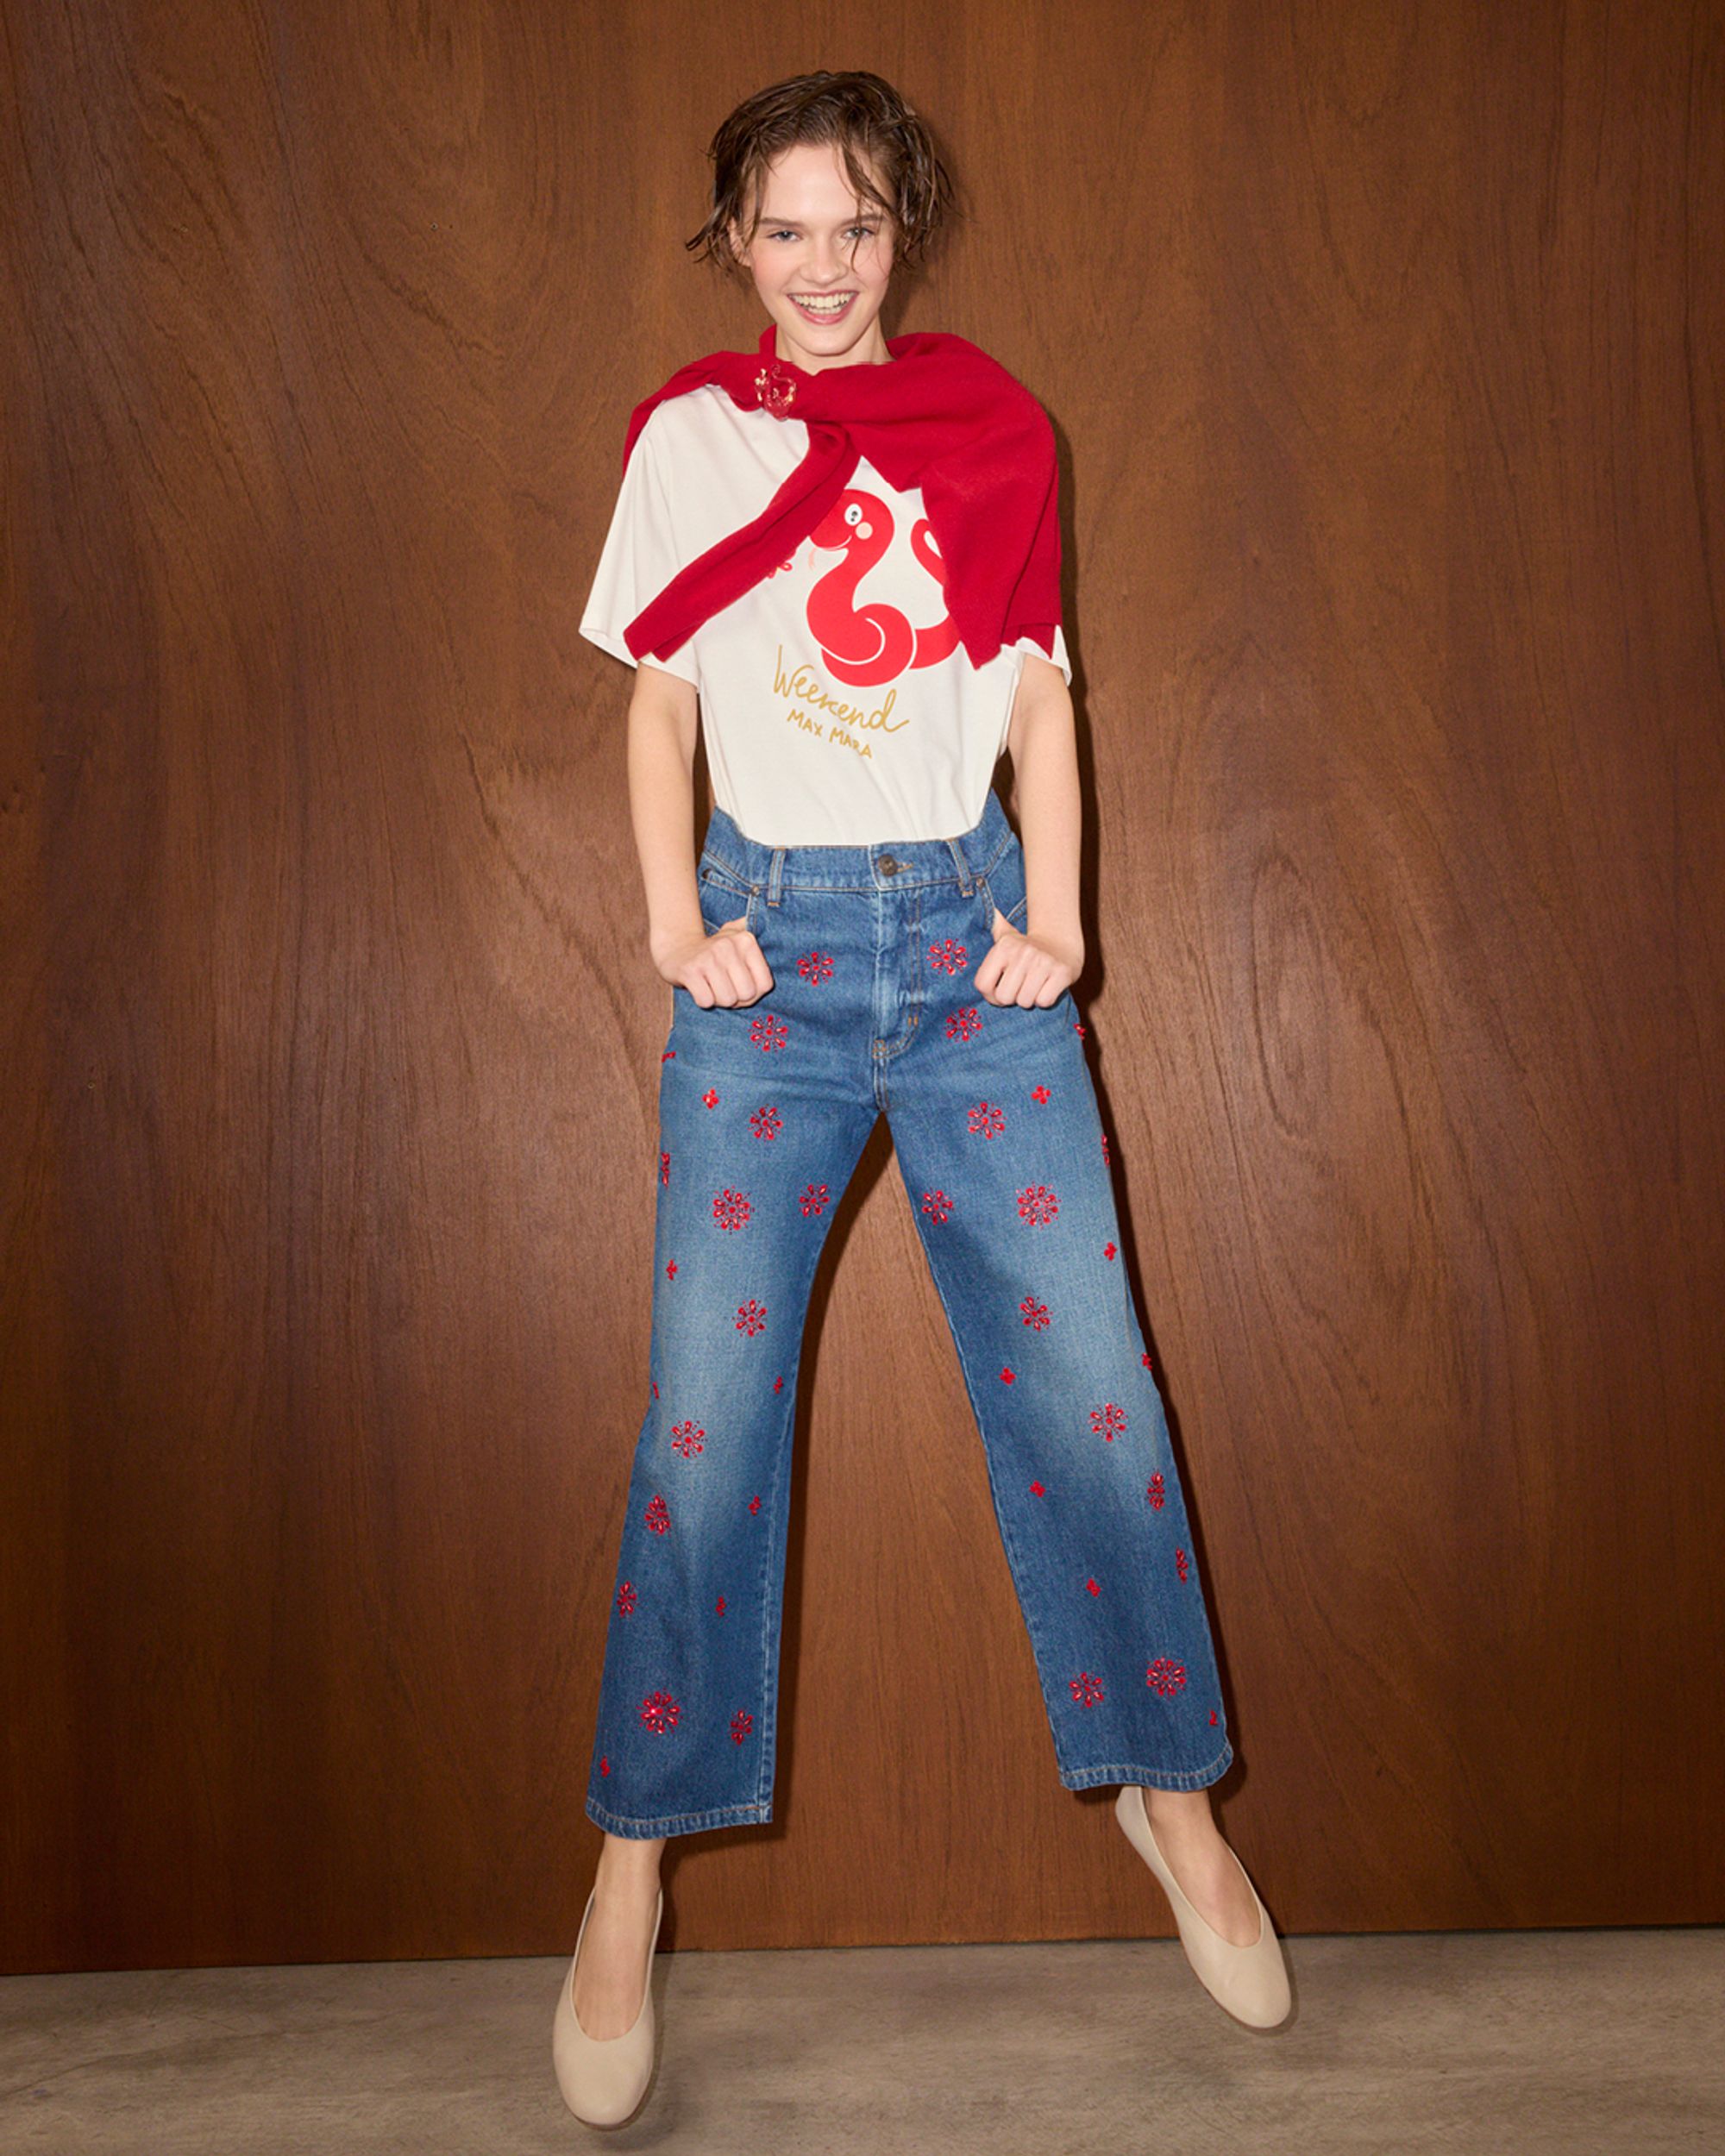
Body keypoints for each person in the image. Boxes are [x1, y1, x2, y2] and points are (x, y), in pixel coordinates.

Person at [553, 69, 1290, 2128]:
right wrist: (673, 923)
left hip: (967, 945)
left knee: (1095, 1390)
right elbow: (661, 703)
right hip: (768, 953)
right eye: (782, 228)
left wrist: (1055, 916)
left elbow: (1037, 692)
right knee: (702, 1417)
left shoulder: (995, 427)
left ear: (905, 233)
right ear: (732, 236)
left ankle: (1170, 1800)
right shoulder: (686, 441)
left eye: (857, 227)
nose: (821, 268)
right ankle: (629, 1864)